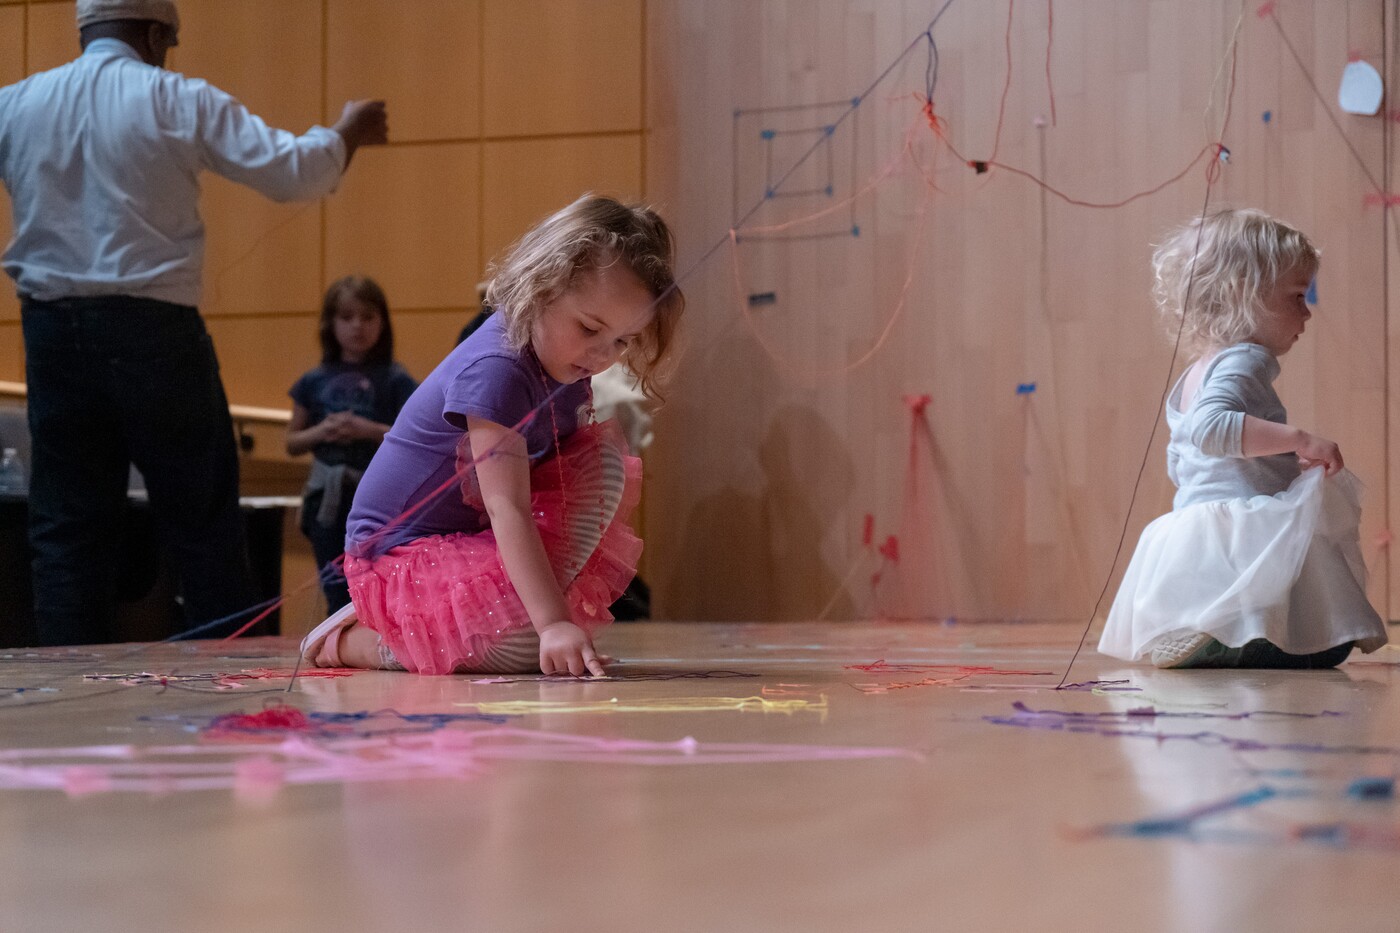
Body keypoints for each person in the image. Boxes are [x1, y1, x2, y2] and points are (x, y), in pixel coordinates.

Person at [0, 0, 388, 645]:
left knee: (67, 526)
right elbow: (293, 173)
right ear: (156, 34)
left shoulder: (17, 103)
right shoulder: (175, 97)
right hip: (155, 331)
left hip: (50, 334)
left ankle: (61, 687)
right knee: (200, 519)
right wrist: (345, 130)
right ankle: (223, 681)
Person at [301, 194, 683, 676]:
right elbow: (508, 507)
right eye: (589, 328)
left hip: (468, 539)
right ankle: (352, 640)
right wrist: (551, 624)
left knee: (601, 461)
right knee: (518, 646)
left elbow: (560, 479)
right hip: (398, 556)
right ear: (541, 287)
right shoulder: (497, 370)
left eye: (621, 341)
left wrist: (552, 618)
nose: (602, 355)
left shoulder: (565, 361)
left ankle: (503, 619)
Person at [1100, 208, 1388, 669]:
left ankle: (1208, 634)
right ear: (1243, 294)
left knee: (1249, 606)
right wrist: (1300, 441)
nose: (1307, 312)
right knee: (1319, 641)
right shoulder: (1245, 359)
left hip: (1193, 519)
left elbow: (1183, 456)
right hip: (1245, 517)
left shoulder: (1199, 369)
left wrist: (1272, 462)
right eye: (1297, 295)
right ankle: (1228, 642)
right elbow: (1211, 429)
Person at [287, 276, 417, 613]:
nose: (357, 326)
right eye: (347, 318)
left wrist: (369, 430)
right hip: (326, 496)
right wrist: (323, 431)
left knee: (375, 581)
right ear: (330, 324)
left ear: (383, 323)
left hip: (377, 496)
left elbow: (414, 438)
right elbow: (293, 442)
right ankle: (337, 650)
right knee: (334, 584)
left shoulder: (396, 379)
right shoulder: (313, 381)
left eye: (368, 317)